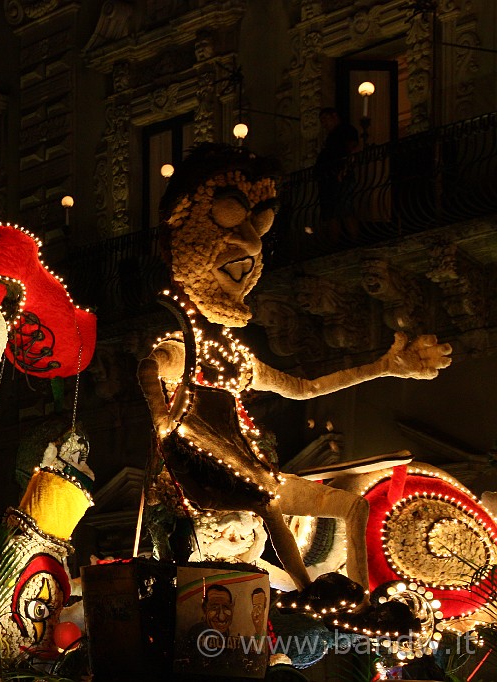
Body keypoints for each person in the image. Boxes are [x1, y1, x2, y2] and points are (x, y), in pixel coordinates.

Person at [138, 144, 451, 616]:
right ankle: (307, 590)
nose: (252, 241)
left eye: (259, 224)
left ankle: (358, 599)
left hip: (251, 473)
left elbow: (304, 388)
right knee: (266, 498)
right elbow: (151, 366)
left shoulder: (234, 354)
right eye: (230, 217)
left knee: (351, 507)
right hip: (207, 475)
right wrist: (163, 420)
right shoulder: (186, 344)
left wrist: (385, 366)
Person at [315, 107, 360, 242]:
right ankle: (334, 242)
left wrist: (344, 169)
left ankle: (355, 240)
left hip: (340, 175)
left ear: (334, 116)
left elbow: (352, 148)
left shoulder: (346, 131)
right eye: (321, 121)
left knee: (344, 209)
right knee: (330, 213)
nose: (324, 124)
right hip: (328, 178)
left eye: (325, 119)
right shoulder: (330, 138)